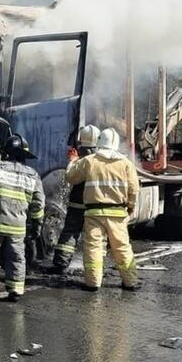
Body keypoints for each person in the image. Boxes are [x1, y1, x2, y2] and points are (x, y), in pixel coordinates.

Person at [0, 133, 45, 303]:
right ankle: (16, 290)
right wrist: (36, 227)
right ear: (24, 156)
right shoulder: (33, 175)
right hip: (17, 228)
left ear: (7, 152)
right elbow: (38, 206)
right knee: (17, 258)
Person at [65, 127, 139, 291]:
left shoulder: (90, 161)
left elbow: (71, 177)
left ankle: (93, 283)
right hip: (118, 214)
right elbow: (134, 190)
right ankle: (131, 282)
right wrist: (130, 207)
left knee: (93, 248)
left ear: (99, 142)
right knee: (122, 248)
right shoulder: (126, 164)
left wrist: (72, 161)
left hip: (94, 213)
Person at [51, 124, 100, 278]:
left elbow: (71, 176)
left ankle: (60, 264)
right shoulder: (101, 158)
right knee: (95, 237)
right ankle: (95, 270)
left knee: (70, 233)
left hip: (77, 203)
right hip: (95, 203)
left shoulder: (81, 159)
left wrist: (72, 161)